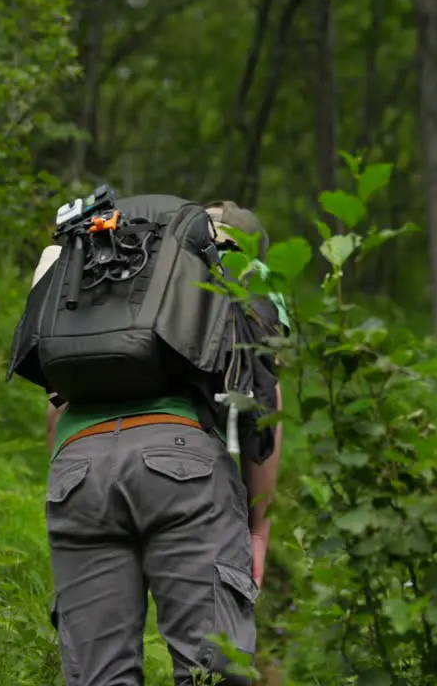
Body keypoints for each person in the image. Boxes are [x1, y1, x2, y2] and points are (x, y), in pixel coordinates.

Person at [38, 200, 288, 686]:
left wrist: (74, 481)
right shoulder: (229, 268)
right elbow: (264, 399)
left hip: (77, 469)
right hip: (182, 463)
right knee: (211, 672)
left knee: (99, 678)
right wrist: (259, 529)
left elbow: (55, 403)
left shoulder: (109, 270)